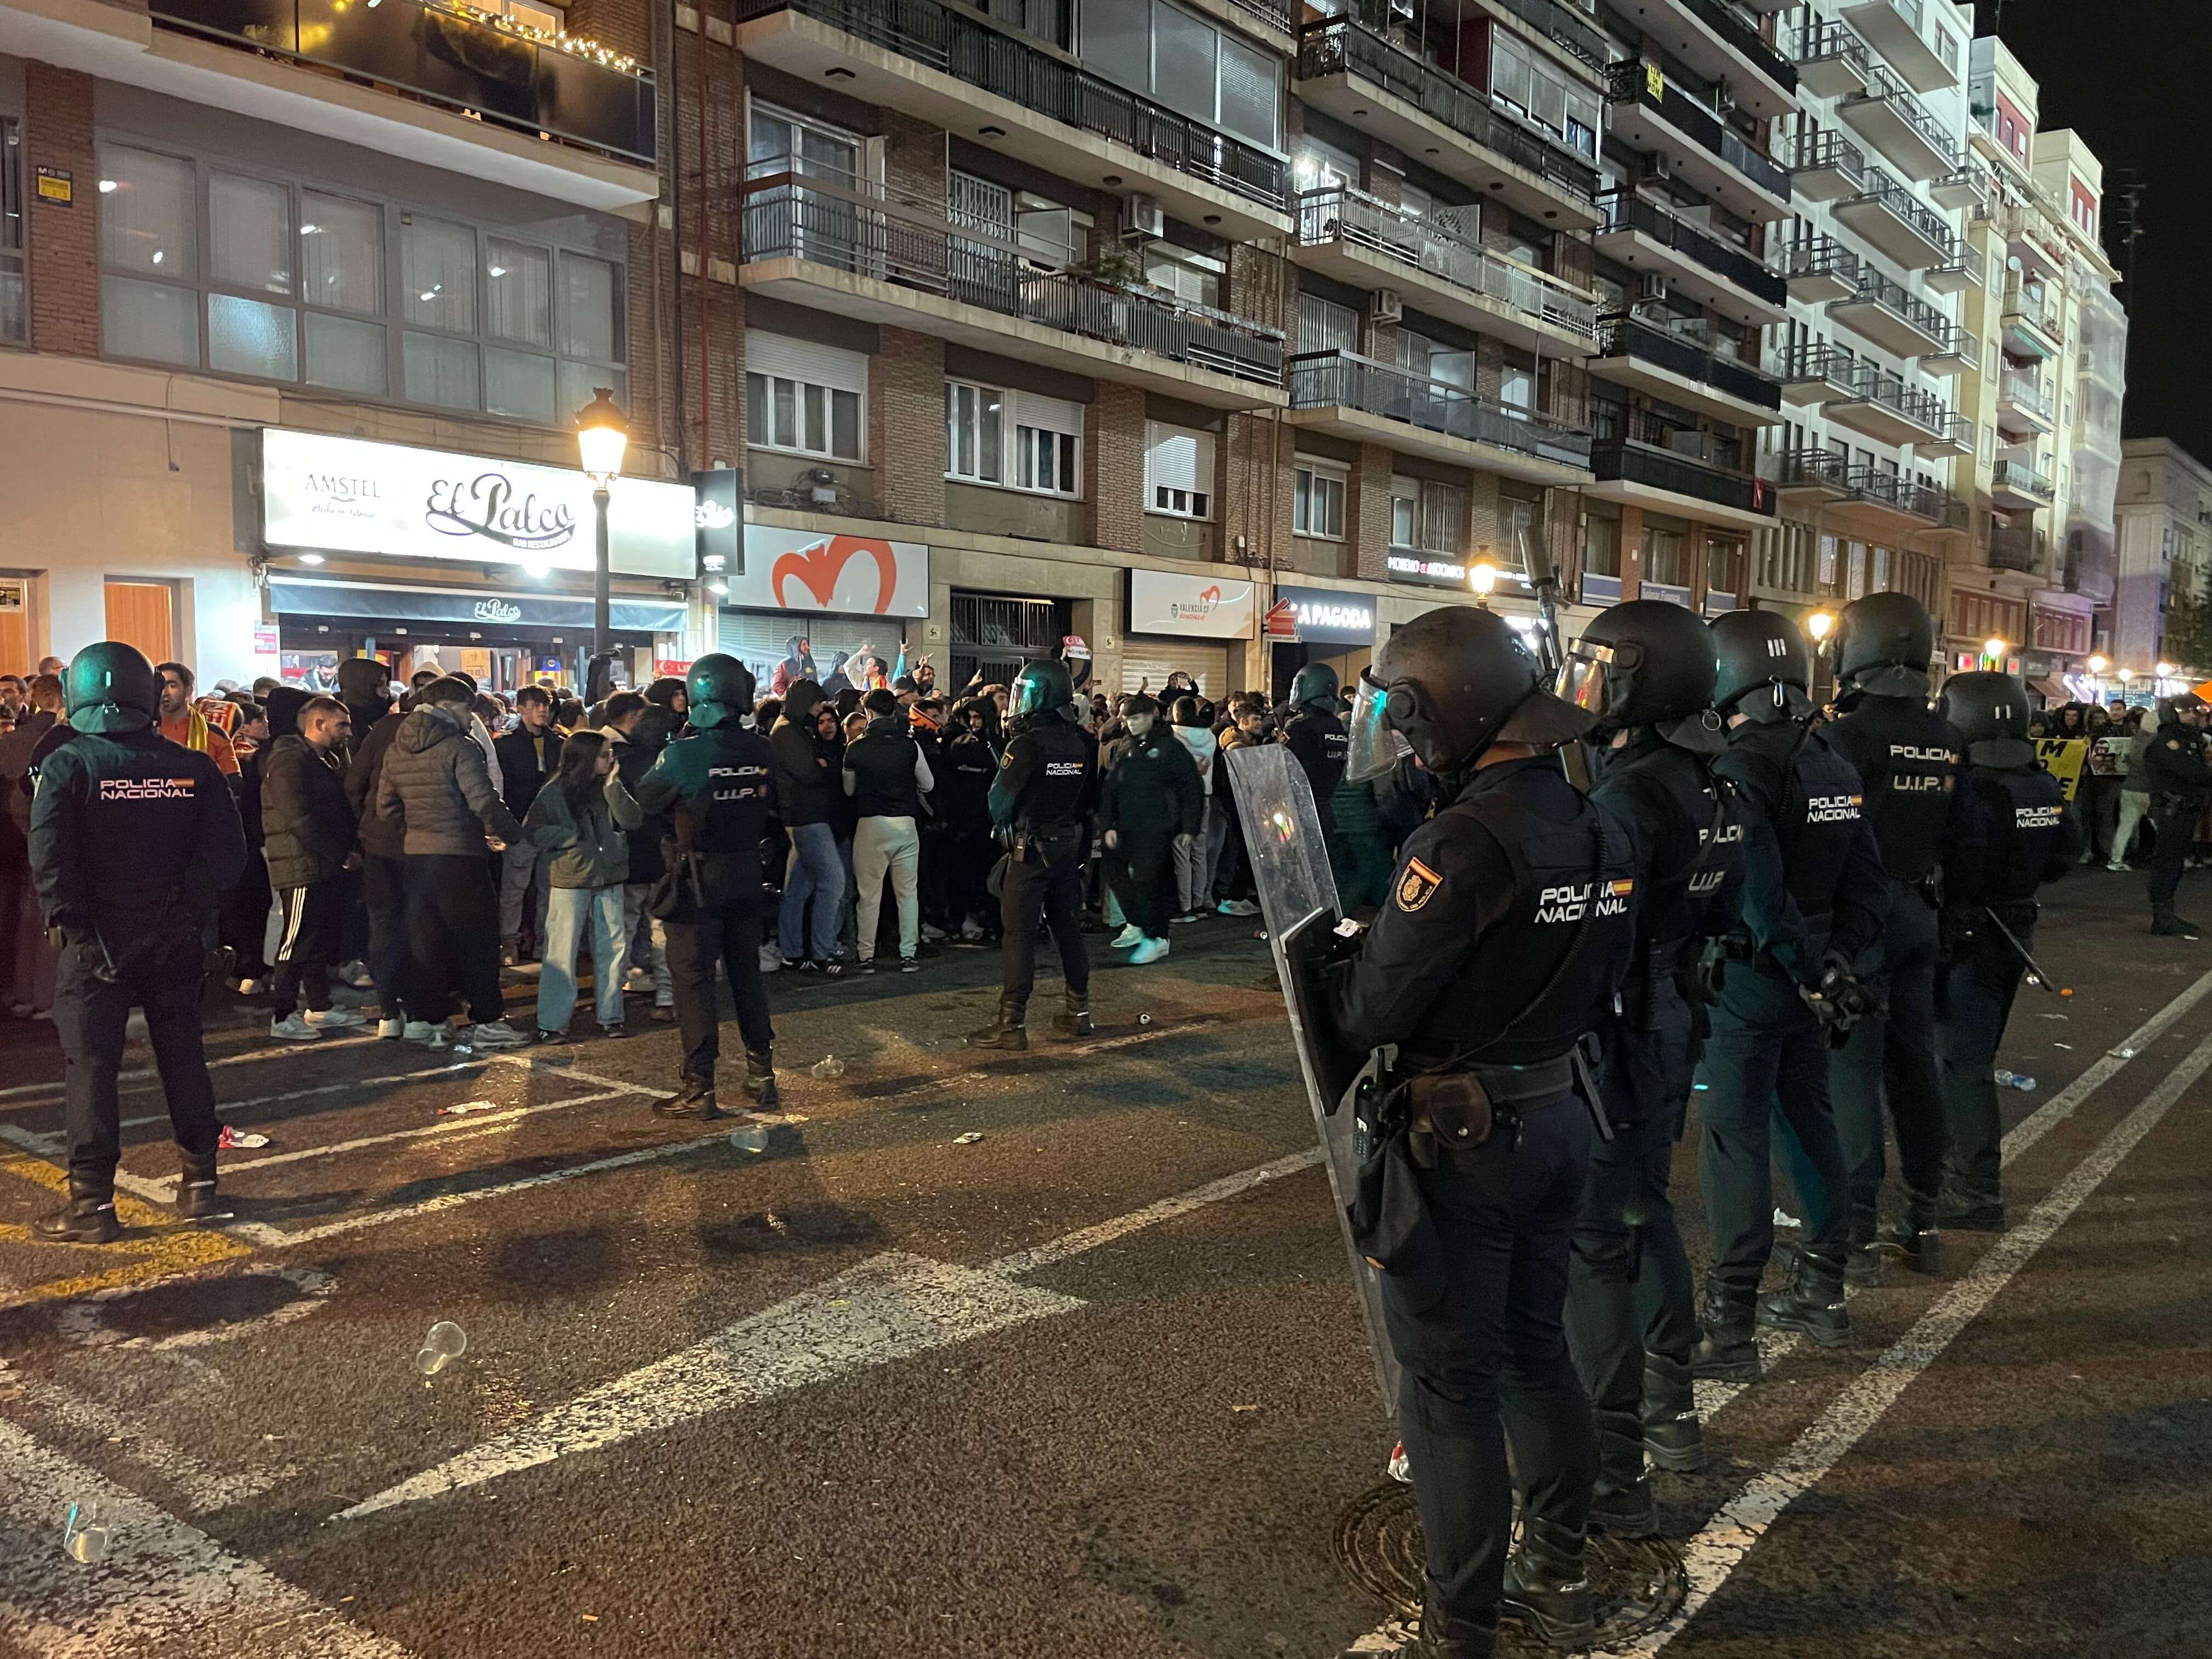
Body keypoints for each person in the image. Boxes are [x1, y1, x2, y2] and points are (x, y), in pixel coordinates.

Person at [1328, 605, 1635, 1656]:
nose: (1410, 747)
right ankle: (1563, 1568)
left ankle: (1459, 1617)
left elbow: (1372, 1011)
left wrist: (1364, 952)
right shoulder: (1598, 817)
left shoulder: (1461, 838)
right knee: (1537, 1348)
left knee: (1451, 1381)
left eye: (1414, 726)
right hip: (1561, 1111)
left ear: (1452, 709)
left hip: (1465, 1140)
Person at [1553, 602, 1742, 1520]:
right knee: (1642, 1210)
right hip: (1673, 1015)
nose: (1587, 683)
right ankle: (1672, 1409)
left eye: (1602, 667)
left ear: (1642, 678)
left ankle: (1609, 1459)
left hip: (1621, 1027)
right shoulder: (1710, 782)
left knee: (1595, 1239)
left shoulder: (1632, 794)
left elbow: (1595, 926)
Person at [1695, 610, 1886, 1380]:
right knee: (1811, 1123)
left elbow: (1759, 895)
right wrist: (1835, 965)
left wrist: (1805, 970)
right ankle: (1823, 1290)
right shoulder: (1830, 756)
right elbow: (1870, 881)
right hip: (1817, 976)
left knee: (1733, 1139)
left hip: (1758, 976)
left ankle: (1731, 1319)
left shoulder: (1742, 764)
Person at [30, 644, 247, 1240]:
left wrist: (74, 923)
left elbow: (49, 856)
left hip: (95, 945)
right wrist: (187, 912)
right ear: (148, 695)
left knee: (92, 1068)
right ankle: (200, 1185)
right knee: (182, 1053)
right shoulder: (194, 766)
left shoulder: (70, 764)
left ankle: (92, 1205)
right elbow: (229, 855)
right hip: (174, 940)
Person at [1819, 593, 1970, 1277]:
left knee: (1852, 1073)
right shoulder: (1948, 736)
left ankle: (1853, 1231)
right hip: (1920, 912)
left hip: (1863, 918)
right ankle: (1923, 1213)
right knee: (1915, 1067)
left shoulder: (1846, 735)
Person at [1932, 672, 2080, 1229]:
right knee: (1973, 1055)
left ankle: (1975, 1189)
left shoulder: (1968, 788)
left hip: (1968, 930)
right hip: (2017, 926)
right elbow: (2066, 859)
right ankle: (1959, 1172)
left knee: (1961, 1063)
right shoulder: (2042, 785)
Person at [633, 656, 778, 1119]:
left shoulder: (684, 753)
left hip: (697, 878)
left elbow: (644, 801)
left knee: (694, 983)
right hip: (745, 871)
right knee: (746, 974)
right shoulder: (761, 748)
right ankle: (762, 1073)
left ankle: (700, 1086)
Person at [375, 676, 528, 1048]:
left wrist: (417, 832)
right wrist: (513, 835)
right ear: (448, 707)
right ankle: (487, 1019)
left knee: (426, 941)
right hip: (460, 856)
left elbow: (386, 808)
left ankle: (428, 1019)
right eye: (466, 710)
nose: (471, 718)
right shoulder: (461, 747)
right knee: (477, 941)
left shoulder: (398, 748)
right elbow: (484, 801)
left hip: (417, 856)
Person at [967, 658, 1097, 1049]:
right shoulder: (1080, 741)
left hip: (1030, 848)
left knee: (1019, 934)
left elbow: (998, 801)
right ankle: (1079, 1012)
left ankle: (1011, 1022)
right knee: (1068, 929)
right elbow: (1088, 799)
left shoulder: (1026, 744)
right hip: (1065, 845)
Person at [523, 730, 642, 1041]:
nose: (610, 759)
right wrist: (569, 837)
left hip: (609, 875)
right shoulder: (554, 791)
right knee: (561, 952)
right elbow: (532, 831)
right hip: (571, 878)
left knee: (614, 950)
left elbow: (632, 820)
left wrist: (615, 786)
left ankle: (612, 1016)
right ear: (586, 758)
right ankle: (552, 1022)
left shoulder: (610, 786)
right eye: (604, 755)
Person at [260, 695, 363, 1041]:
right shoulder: (291, 761)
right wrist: (339, 853)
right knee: (295, 941)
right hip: (301, 864)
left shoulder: (318, 760)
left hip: (317, 863)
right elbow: (299, 818)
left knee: (313, 940)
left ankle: (319, 1006)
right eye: (342, 725)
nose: (348, 733)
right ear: (318, 724)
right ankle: (282, 1014)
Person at [1099, 694, 1201, 965]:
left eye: (1135, 718)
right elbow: (1112, 786)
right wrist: (1108, 823)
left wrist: (1189, 827)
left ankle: (1158, 937)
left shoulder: (1170, 748)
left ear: (1151, 716)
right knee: (1115, 872)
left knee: (1150, 880)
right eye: (1127, 719)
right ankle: (1137, 923)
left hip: (1157, 825)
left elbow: (1190, 787)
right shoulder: (1128, 746)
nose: (1130, 724)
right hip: (1127, 825)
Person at [843, 688, 933, 973]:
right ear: (894, 712)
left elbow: (849, 790)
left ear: (868, 713)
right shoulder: (910, 746)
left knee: (869, 895)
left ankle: (866, 956)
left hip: (870, 824)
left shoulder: (855, 748)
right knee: (907, 893)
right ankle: (909, 954)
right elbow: (928, 784)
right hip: (905, 824)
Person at [770, 681, 848, 973]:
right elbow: (809, 773)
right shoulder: (789, 732)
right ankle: (821, 953)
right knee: (833, 881)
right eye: (817, 704)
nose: (819, 711)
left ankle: (793, 952)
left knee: (799, 887)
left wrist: (821, 765)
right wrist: (824, 767)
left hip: (802, 816)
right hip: (808, 816)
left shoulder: (789, 728)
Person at [494, 686, 564, 966]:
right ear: (520, 708)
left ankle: (543, 943)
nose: (542, 710)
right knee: (515, 889)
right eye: (535, 705)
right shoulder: (506, 745)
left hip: (550, 828)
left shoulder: (558, 743)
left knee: (548, 890)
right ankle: (509, 942)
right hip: (520, 825)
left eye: (545, 704)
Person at [2144, 691, 2212, 936]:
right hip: (2171, 809)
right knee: (2167, 863)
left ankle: (2167, 914)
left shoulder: (2188, 739)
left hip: (2185, 808)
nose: (2193, 716)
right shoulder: (2166, 743)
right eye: (2187, 712)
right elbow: (2195, 774)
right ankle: (2162, 916)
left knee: (2175, 864)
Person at [936, 698, 1001, 944]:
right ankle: (958, 923)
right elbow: (947, 784)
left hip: (987, 826)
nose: (974, 723)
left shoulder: (997, 747)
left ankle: (993, 924)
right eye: (971, 718)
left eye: (978, 718)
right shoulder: (958, 746)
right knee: (960, 879)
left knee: (989, 880)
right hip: (962, 825)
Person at [1281, 662, 1351, 839]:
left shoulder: (1299, 730)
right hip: (1329, 811)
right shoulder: (1339, 727)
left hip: (1299, 813)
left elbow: (1280, 769)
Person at [1167, 696, 1219, 921]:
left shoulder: (1174, 736)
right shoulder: (1210, 735)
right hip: (1205, 797)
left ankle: (1185, 906)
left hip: (1182, 799)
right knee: (1199, 852)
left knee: (1181, 852)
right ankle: (1200, 903)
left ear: (1177, 713)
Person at [155, 661, 240, 777]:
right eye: (160, 686)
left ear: (189, 690)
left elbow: (233, 784)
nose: (165, 693)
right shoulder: (146, 732)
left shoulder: (214, 735)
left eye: (172, 686)